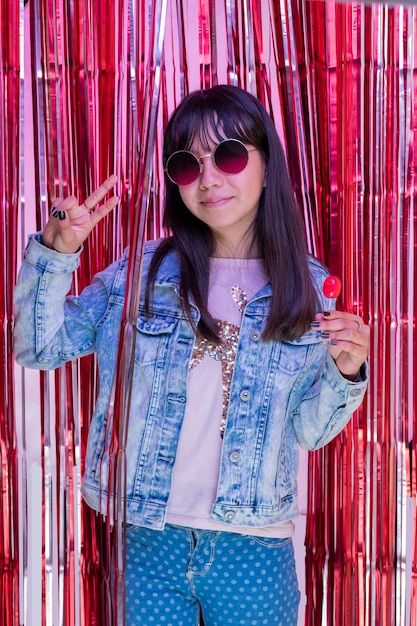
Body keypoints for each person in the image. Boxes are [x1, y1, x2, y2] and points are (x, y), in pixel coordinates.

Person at [13, 84, 369, 625]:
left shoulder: (310, 288)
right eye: (187, 164)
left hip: (252, 546)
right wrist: (58, 250)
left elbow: (310, 433)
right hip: (149, 538)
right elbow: (39, 348)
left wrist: (348, 372)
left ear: (267, 165)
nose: (208, 179)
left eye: (227, 155)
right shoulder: (140, 274)